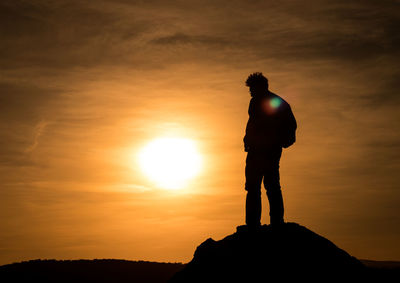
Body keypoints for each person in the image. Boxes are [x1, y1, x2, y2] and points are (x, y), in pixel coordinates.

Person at [243, 72, 297, 226]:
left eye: (252, 88)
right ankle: (253, 224)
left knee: (271, 185)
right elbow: (252, 123)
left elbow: (290, 125)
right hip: (255, 151)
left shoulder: (276, 102)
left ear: (260, 87)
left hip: (269, 151)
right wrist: (247, 139)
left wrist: (280, 142)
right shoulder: (254, 103)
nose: (250, 92)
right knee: (254, 187)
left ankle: (276, 223)